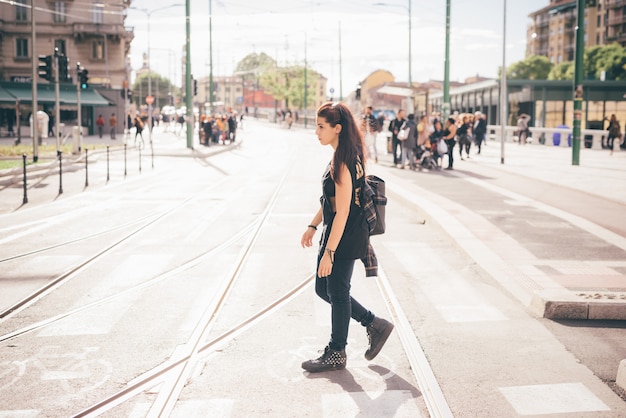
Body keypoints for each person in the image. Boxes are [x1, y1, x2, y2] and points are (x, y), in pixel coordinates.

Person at [300, 101, 394, 373]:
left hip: (346, 233)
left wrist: (329, 251)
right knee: (323, 288)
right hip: (337, 230)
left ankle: (337, 351)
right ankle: (374, 324)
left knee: (338, 291)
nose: (316, 132)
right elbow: (331, 201)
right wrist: (313, 225)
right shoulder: (342, 154)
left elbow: (341, 212)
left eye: (320, 127)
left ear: (336, 128)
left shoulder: (343, 161)